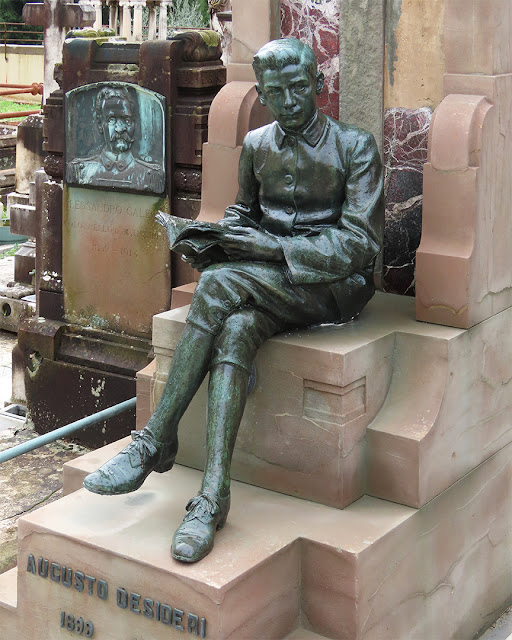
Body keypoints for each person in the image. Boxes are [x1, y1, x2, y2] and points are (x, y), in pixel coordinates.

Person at [83, 37, 383, 563]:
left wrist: (267, 247)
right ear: (263, 95)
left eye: (298, 89)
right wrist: (223, 237)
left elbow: (361, 245)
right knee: (239, 327)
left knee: (220, 286)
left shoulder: (355, 147)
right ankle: (213, 495)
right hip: (267, 281)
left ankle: (155, 439)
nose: (289, 102)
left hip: (336, 287)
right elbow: (245, 212)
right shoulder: (258, 145)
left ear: (318, 84)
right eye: (277, 93)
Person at [67, 86, 165, 193]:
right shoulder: (79, 172)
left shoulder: (151, 176)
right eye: (112, 120)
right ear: (100, 124)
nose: (120, 128)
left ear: (134, 123)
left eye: (126, 119)